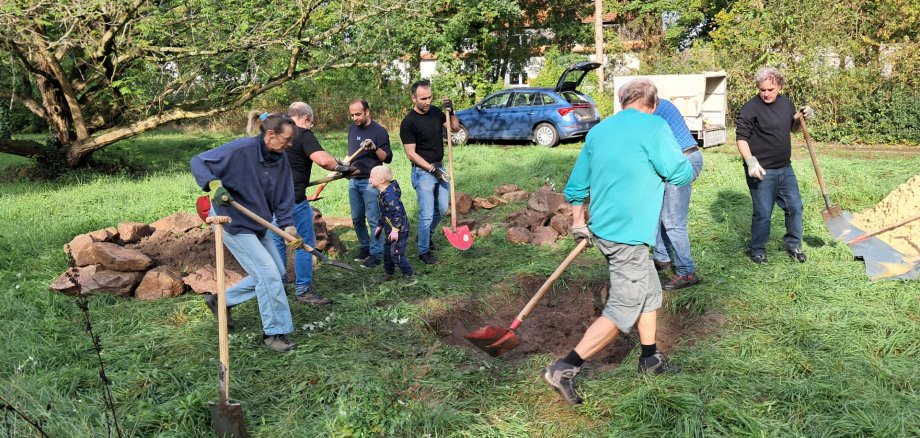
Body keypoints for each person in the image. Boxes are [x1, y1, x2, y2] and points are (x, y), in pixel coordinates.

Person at [542, 79, 695, 404]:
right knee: (622, 310)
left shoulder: (599, 130)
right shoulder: (654, 126)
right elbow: (679, 173)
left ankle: (650, 359)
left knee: (650, 293)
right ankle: (565, 367)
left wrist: (580, 221)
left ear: (623, 101)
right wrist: (680, 169)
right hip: (629, 235)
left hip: (608, 232)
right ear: (653, 105)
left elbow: (576, 186)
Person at [190, 112, 301, 353]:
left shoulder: (279, 157)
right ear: (271, 135)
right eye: (287, 139)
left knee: (278, 272)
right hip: (234, 223)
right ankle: (274, 333)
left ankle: (221, 301)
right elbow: (199, 161)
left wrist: (288, 225)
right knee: (268, 275)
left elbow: (284, 194)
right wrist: (214, 185)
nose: (290, 144)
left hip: (259, 223)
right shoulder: (239, 151)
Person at [270, 102, 357, 304]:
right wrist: (342, 167)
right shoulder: (302, 133)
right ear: (306, 119)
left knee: (276, 244)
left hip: (271, 198)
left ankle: (278, 287)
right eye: (312, 123)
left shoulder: (274, 132)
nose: (311, 127)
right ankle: (303, 291)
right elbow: (323, 160)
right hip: (293, 200)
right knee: (305, 244)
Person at [736, 67, 814, 264]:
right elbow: (741, 138)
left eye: (770, 89)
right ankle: (757, 250)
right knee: (763, 213)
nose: (766, 94)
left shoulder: (786, 103)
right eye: (762, 90)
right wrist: (751, 163)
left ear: (779, 86)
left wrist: (801, 119)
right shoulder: (750, 108)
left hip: (785, 168)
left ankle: (793, 245)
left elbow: (793, 129)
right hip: (761, 170)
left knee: (795, 206)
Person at [399, 80, 459, 265]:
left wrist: (452, 112)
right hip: (423, 171)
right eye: (423, 98)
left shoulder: (435, 113)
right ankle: (423, 252)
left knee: (441, 208)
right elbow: (411, 154)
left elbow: (455, 128)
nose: (427, 101)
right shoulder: (408, 122)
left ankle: (425, 236)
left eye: (430, 97)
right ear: (413, 98)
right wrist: (432, 170)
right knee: (426, 213)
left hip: (439, 166)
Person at [651, 98, 704, 289]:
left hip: (682, 160)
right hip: (676, 160)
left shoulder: (653, 109)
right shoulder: (655, 103)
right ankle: (662, 258)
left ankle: (686, 272)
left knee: (673, 221)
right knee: (660, 213)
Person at [346, 99, 394, 268]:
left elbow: (387, 158)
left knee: (373, 219)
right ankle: (365, 247)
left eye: (358, 114)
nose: (354, 118)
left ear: (367, 112)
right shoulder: (352, 129)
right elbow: (351, 154)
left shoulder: (379, 131)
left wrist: (374, 148)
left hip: (371, 182)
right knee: (357, 218)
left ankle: (376, 254)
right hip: (353, 180)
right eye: (352, 115)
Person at [369, 165, 417, 286]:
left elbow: (398, 213)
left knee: (396, 254)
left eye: (372, 177)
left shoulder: (390, 196)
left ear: (381, 180)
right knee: (387, 253)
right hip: (391, 230)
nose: (369, 179)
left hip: (399, 229)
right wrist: (380, 225)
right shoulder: (383, 193)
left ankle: (410, 275)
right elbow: (385, 212)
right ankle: (389, 274)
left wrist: (395, 230)